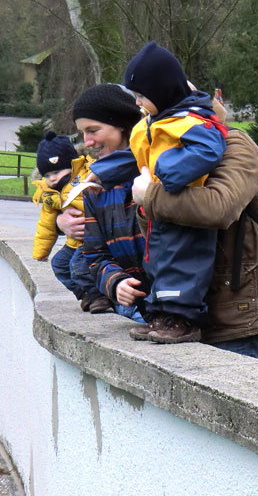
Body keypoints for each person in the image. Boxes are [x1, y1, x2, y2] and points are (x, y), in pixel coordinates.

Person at [132, 119, 258, 361]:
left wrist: (151, 196)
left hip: (244, 322)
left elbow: (220, 208)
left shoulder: (233, 143)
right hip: (197, 315)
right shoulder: (167, 147)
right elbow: (159, 237)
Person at [123, 40, 228, 344]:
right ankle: (162, 314)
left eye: (142, 95)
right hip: (159, 209)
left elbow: (208, 150)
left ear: (162, 91)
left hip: (183, 204)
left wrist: (167, 172)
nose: (138, 102)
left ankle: (184, 320)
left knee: (186, 261)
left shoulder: (190, 122)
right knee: (159, 260)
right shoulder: (152, 122)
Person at [74, 84, 149, 323]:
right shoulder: (94, 189)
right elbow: (95, 255)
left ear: (122, 125)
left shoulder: (155, 168)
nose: (87, 141)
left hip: (175, 308)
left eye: (93, 130)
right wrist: (115, 283)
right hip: (133, 307)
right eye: (82, 133)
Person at [32, 130, 112, 313]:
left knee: (78, 266)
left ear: (72, 164)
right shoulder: (50, 194)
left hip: (93, 238)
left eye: (57, 171)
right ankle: (85, 294)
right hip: (73, 241)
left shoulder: (86, 177)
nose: (53, 178)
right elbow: (45, 224)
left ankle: (100, 295)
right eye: (48, 175)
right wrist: (41, 252)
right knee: (59, 264)